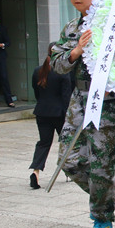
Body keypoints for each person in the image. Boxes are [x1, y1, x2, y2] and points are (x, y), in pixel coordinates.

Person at [51, 0, 115, 228]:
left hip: (109, 104)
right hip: (80, 100)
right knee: (69, 161)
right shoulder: (73, 27)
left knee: (101, 166)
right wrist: (76, 51)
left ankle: (102, 217)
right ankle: (106, 191)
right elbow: (57, 65)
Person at [28, 42, 72, 189]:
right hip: (59, 113)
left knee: (44, 143)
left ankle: (36, 171)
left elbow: (36, 92)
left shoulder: (37, 71)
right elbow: (66, 97)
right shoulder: (63, 73)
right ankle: (68, 170)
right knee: (66, 142)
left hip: (42, 111)